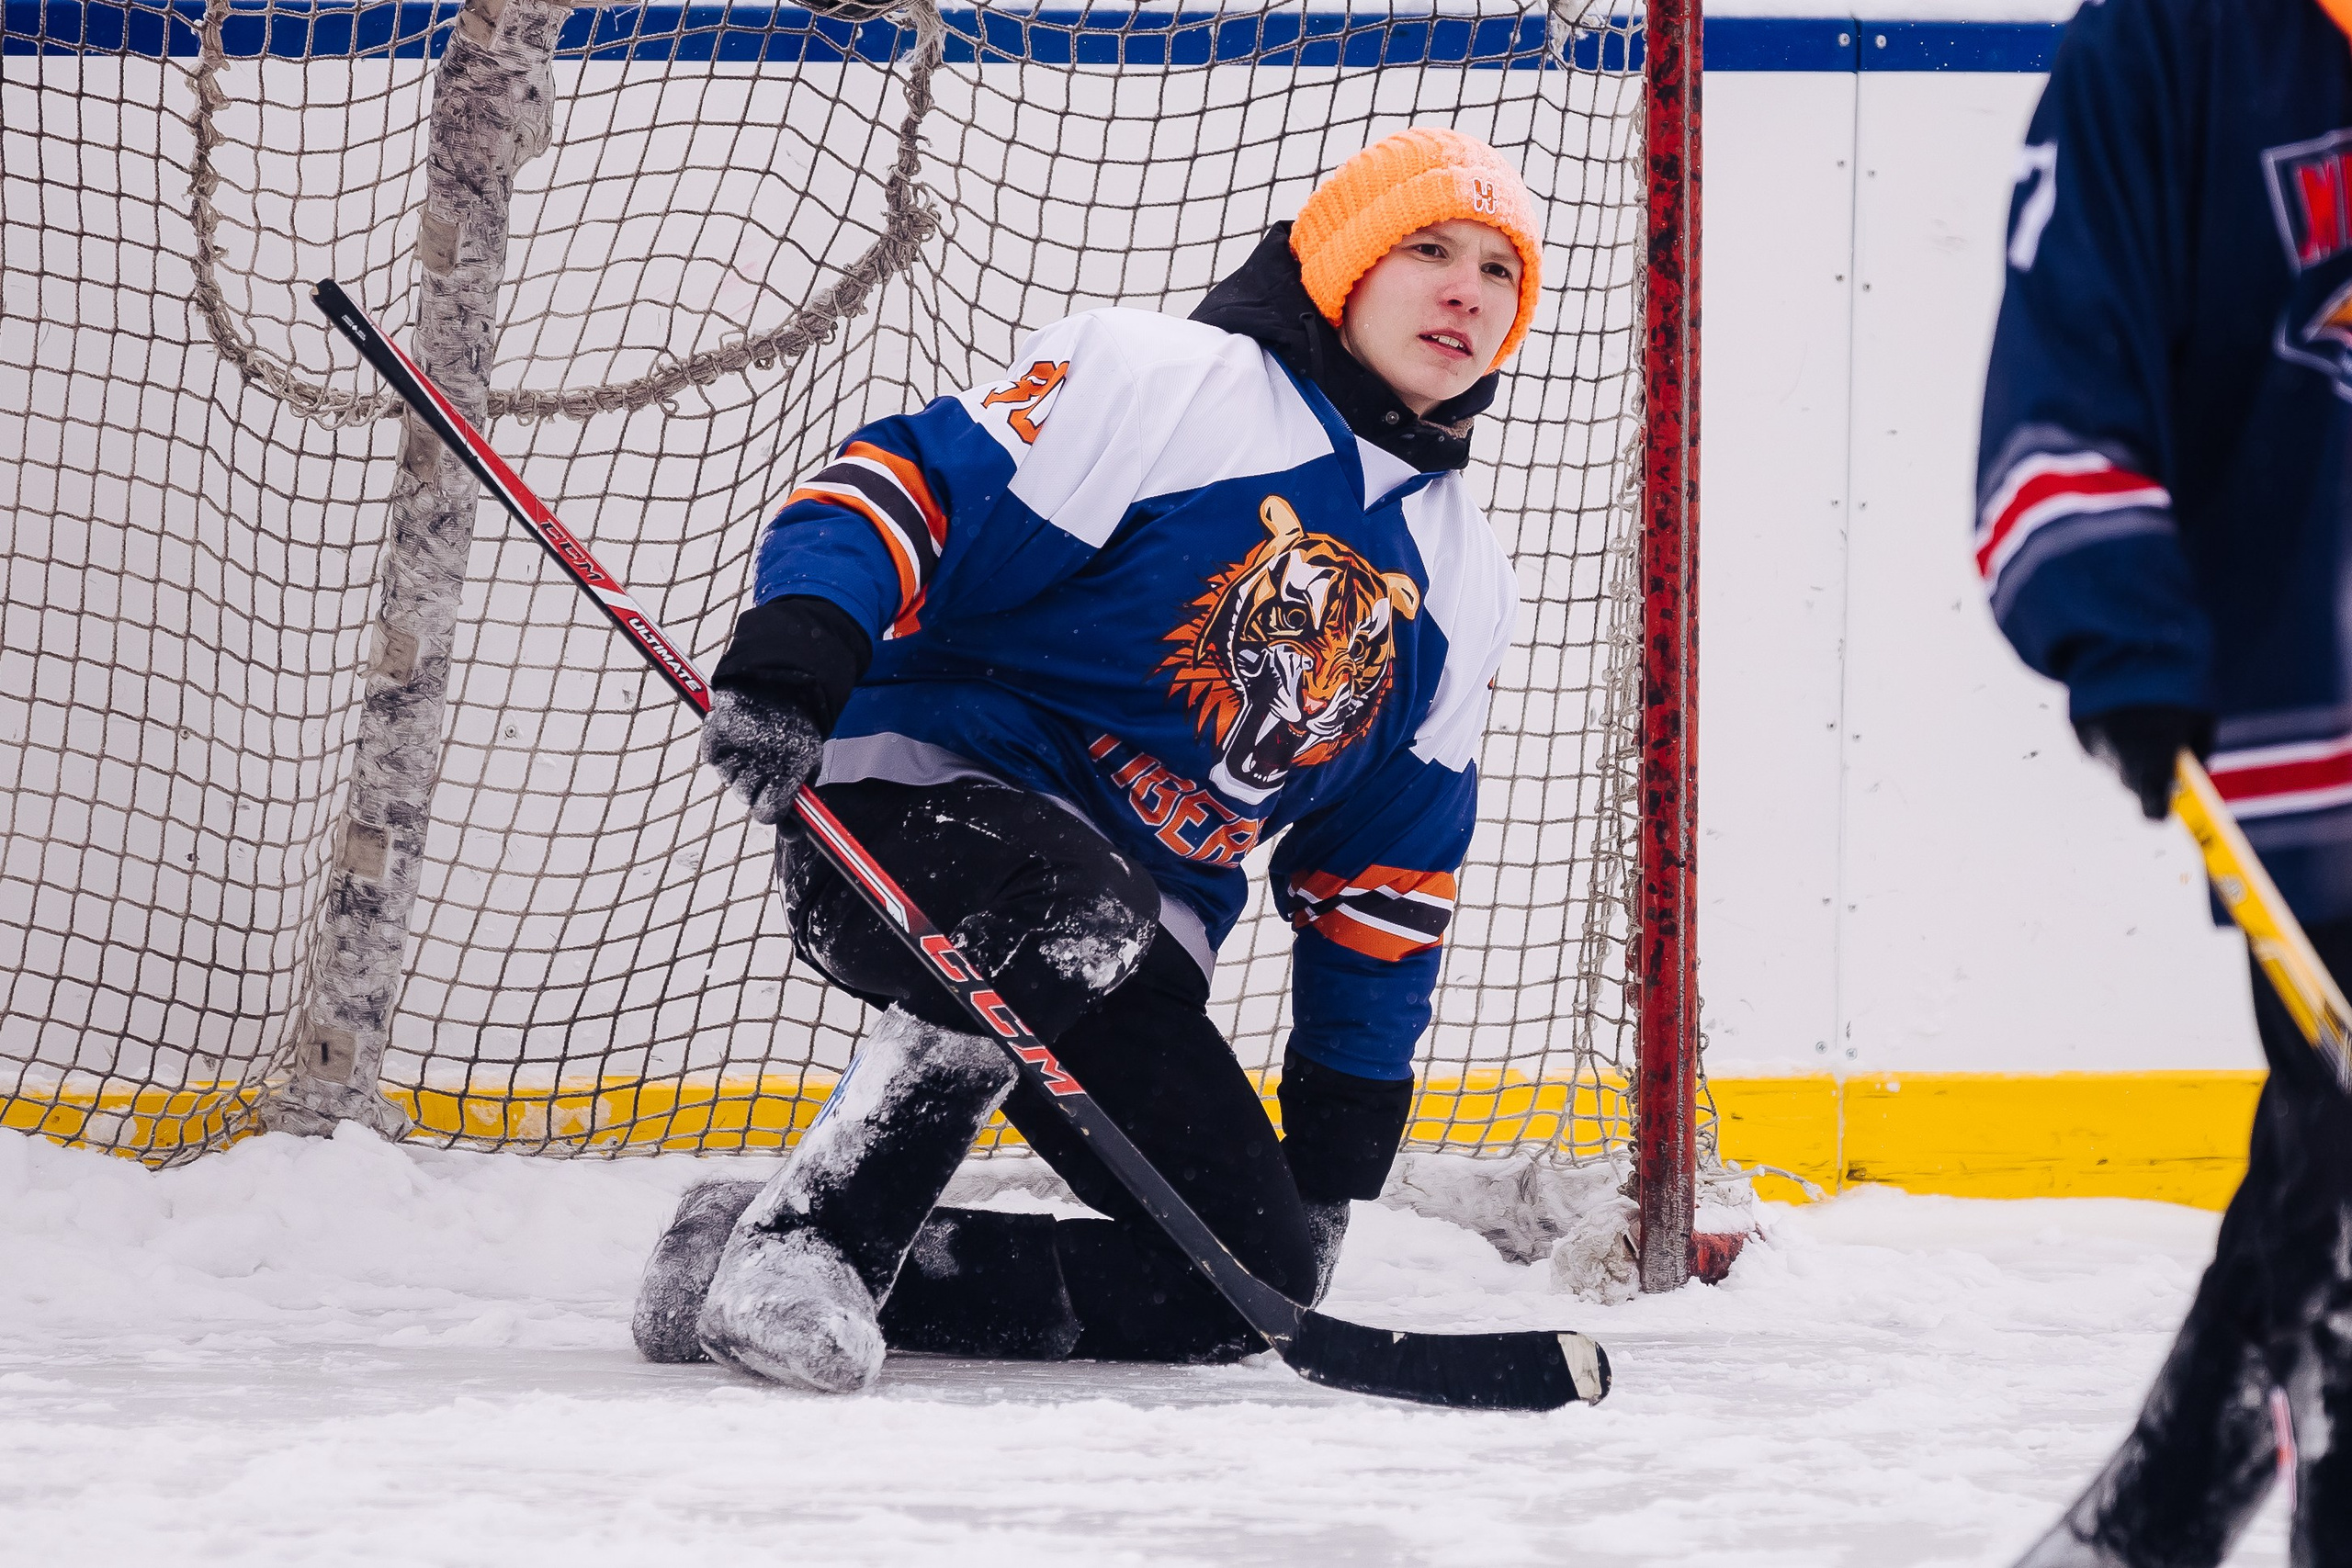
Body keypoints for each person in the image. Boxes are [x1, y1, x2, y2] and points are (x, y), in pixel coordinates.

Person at [627, 127, 1541, 1393]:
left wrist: (1333, 1149)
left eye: (1501, 271)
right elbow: (900, 485)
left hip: (1130, 932)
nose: (1467, 290)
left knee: (1239, 1285)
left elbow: (1384, 875)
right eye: (1429, 249)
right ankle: (811, 1240)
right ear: (1339, 267)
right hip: (917, 818)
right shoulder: (1167, 381)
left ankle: (739, 1245)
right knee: (1071, 900)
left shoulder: (1464, 581)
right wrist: (798, 651)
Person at [1978, 0, 2352, 1559]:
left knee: (2322, 1172)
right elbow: (2070, 361)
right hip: (2319, 766)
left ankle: (2139, 1534)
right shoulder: (2173, 42)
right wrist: (2120, 628)